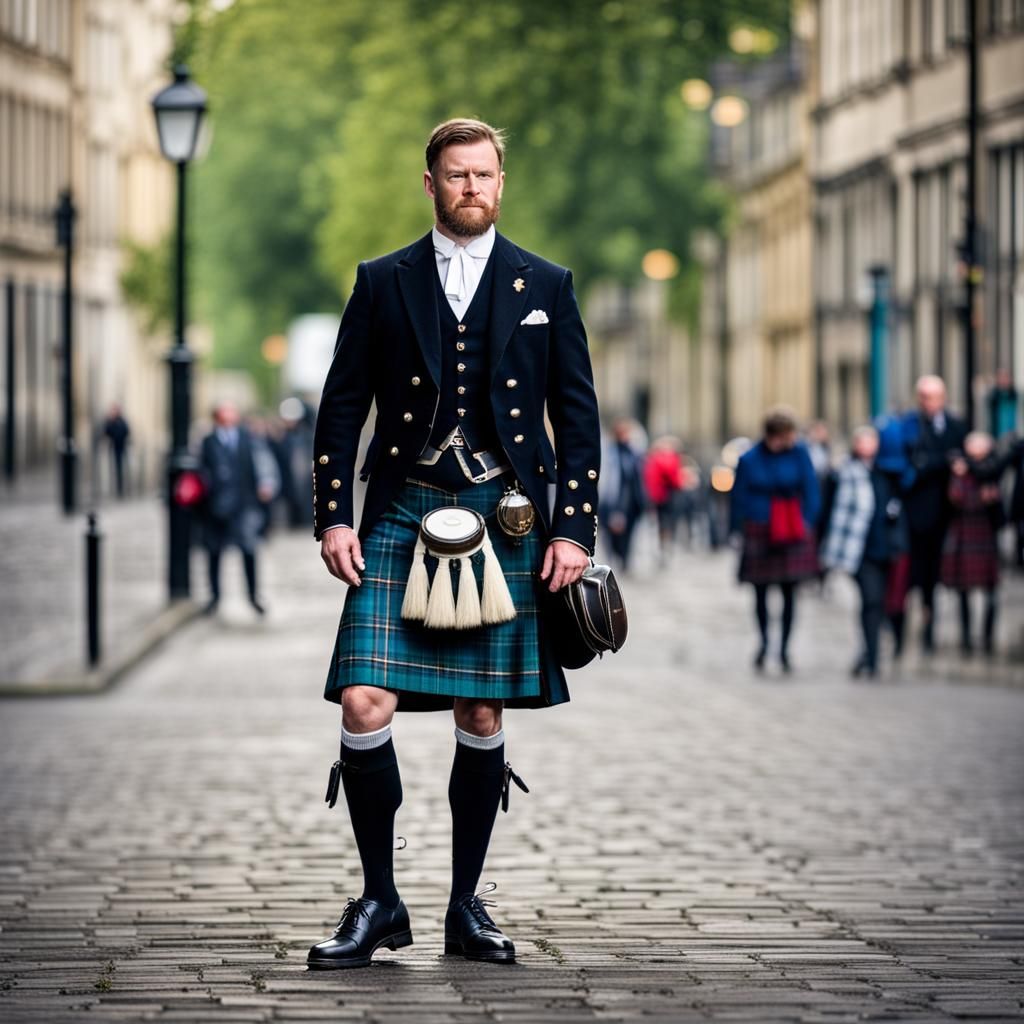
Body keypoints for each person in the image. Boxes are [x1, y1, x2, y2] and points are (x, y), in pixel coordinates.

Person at [308, 119, 601, 970]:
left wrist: (573, 529)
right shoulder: (383, 280)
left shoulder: (547, 282)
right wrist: (334, 515)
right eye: (455, 174)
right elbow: (340, 406)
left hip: (506, 515)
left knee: (482, 710)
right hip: (403, 509)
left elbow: (576, 419)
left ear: (500, 183)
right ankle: (379, 900)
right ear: (429, 183)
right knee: (364, 700)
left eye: (484, 174)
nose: (471, 187)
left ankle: (465, 907)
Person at [730, 407, 820, 672]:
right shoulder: (749, 459)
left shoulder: (800, 454)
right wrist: (738, 530)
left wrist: (807, 522)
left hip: (792, 529)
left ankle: (784, 648)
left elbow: (811, 489)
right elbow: (739, 497)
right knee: (760, 592)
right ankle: (765, 641)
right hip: (760, 529)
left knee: (790, 592)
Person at [822, 426, 908, 678]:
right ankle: (871, 658)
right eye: (862, 441)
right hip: (858, 548)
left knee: (883, 603)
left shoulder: (888, 473)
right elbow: (831, 511)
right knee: (871, 600)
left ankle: (868, 652)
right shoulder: (844, 473)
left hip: (886, 546)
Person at [901, 375, 967, 653]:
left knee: (934, 576)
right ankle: (902, 626)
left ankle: (930, 628)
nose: (927, 402)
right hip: (913, 514)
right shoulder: (909, 426)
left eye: (932, 396)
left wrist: (932, 463)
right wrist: (939, 462)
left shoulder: (956, 427)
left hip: (945, 515)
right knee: (909, 574)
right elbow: (914, 464)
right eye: (923, 396)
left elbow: (962, 463)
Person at [199, 402, 278, 615]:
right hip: (216, 506)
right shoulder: (207, 441)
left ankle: (253, 595)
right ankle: (215, 596)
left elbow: (262, 464)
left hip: (244, 505)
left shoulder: (248, 438)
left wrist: (265, 485)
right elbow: (202, 469)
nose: (230, 413)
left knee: (249, 551)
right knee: (214, 552)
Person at [941, 432, 1005, 655]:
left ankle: (987, 638)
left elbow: (1000, 514)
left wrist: (993, 502)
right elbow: (951, 501)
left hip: (985, 534)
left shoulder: (992, 470)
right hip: (964, 533)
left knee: (990, 592)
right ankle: (966, 638)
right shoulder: (957, 470)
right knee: (963, 591)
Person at [600, 418, 647, 572]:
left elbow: (639, 476)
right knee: (612, 535)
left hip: (632, 501)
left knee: (629, 534)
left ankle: (625, 560)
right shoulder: (609, 452)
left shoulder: (634, 452)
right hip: (613, 499)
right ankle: (615, 557)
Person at [643, 435, 684, 560]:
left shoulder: (652, 458)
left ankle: (662, 547)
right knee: (667, 522)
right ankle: (665, 546)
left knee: (660, 522)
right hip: (666, 494)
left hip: (656, 495)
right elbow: (674, 477)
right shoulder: (668, 458)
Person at [101, 403, 130, 498]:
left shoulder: (122, 421)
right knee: (112, 468)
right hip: (113, 448)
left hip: (120, 448)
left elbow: (126, 431)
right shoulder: (110, 422)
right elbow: (106, 432)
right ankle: (113, 488)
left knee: (120, 468)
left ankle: (120, 489)